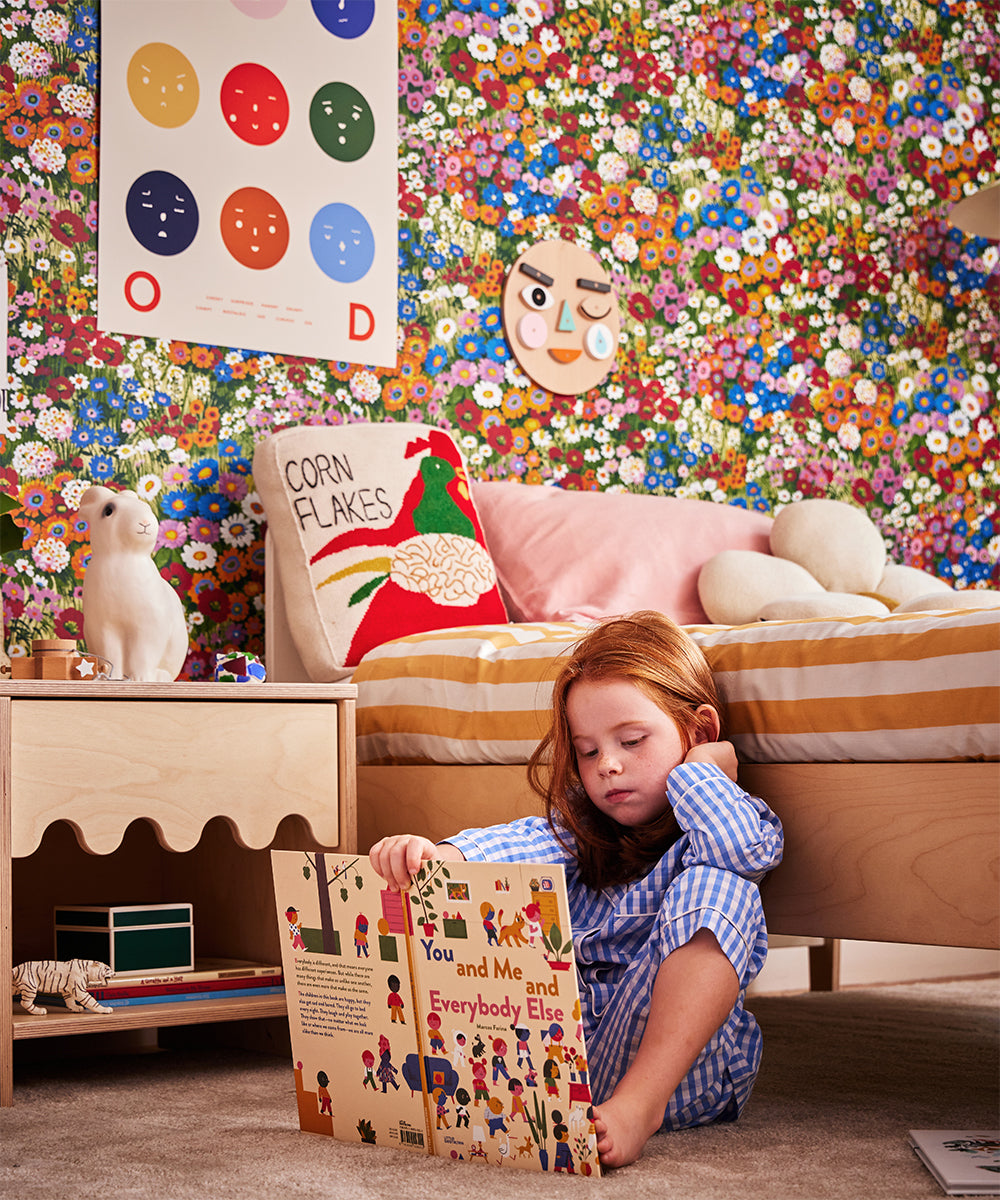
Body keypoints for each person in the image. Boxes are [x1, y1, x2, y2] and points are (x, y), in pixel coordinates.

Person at [370, 611, 783, 1169]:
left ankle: (640, 1106)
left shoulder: (718, 827)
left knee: (722, 890)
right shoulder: (579, 833)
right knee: (504, 887)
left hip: (683, 1073)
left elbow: (742, 855)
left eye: (632, 741)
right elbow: (520, 843)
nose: (608, 765)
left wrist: (702, 771)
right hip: (578, 1060)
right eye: (588, 752)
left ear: (700, 730)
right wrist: (440, 858)